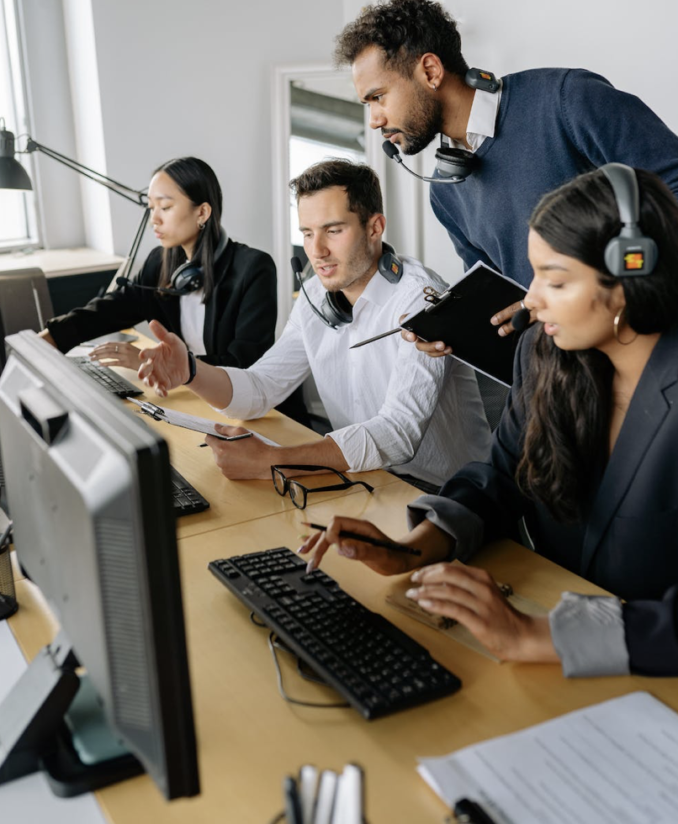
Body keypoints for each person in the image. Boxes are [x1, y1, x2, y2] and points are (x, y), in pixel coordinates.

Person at [298, 167, 678, 678]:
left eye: (556, 279)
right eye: (534, 273)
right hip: (552, 643)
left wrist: (534, 634)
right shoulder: (547, 352)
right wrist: (414, 549)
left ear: (633, 274)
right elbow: (502, 477)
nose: (532, 298)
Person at [334, 0, 678, 343]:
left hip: (651, 346)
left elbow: (673, 188)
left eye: (378, 97)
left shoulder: (566, 99)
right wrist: (455, 332)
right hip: (561, 377)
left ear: (430, 71)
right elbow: (503, 306)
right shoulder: (444, 192)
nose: (374, 120)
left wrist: (607, 283)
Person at [137, 159, 491, 487]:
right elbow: (262, 387)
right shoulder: (314, 297)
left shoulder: (421, 300)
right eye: (307, 233)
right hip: (362, 477)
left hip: (445, 492)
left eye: (333, 230)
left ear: (375, 227)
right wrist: (192, 372)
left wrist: (274, 461)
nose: (316, 250)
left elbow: (397, 434)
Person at [40, 156, 279, 372]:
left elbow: (245, 363)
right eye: (151, 208)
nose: (154, 219)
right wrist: (53, 336)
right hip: (192, 391)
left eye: (165, 207)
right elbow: (111, 309)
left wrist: (159, 364)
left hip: (249, 405)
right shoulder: (159, 262)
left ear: (202, 213)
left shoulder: (254, 269)